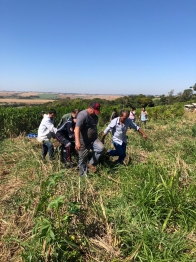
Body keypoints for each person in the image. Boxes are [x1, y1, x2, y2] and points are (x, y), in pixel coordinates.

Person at [75, 102, 104, 177]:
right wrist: (77, 142)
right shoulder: (83, 115)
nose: (95, 113)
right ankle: (83, 175)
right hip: (83, 141)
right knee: (83, 158)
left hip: (93, 139)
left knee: (101, 148)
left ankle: (91, 164)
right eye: (94, 111)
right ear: (90, 108)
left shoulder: (95, 117)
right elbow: (77, 128)